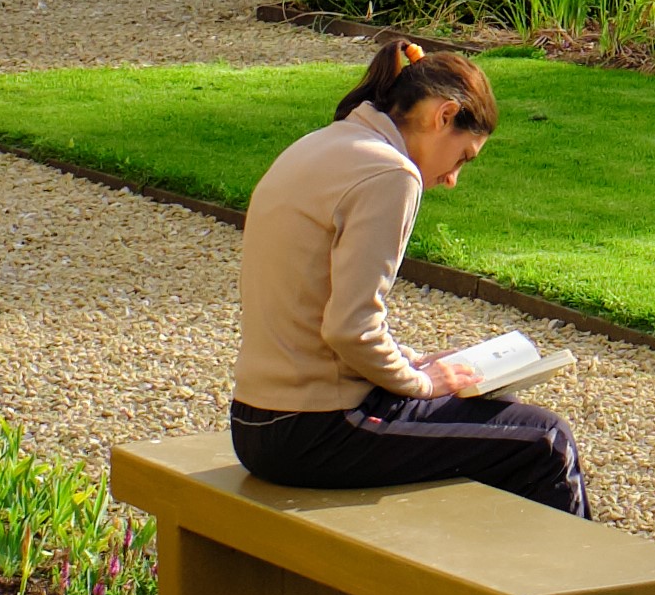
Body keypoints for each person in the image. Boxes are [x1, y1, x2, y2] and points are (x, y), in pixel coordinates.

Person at [227, 38, 589, 516]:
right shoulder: (391, 174)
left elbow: (319, 316)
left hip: (257, 421)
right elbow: (349, 328)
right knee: (546, 442)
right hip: (316, 429)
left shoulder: (323, 143)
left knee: (498, 424)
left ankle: (488, 581)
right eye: (463, 156)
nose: (453, 178)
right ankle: (558, 590)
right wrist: (422, 384)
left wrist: (412, 361)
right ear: (444, 115)